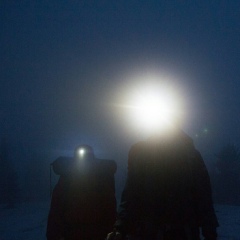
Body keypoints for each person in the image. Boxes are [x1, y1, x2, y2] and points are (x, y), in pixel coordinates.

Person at [107, 127, 219, 240]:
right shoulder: (142, 154)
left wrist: (210, 232)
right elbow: (131, 193)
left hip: (179, 231)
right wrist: (120, 227)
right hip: (153, 230)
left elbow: (203, 196)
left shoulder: (191, 156)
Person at [46, 144, 117, 240]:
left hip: (74, 233)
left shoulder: (65, 181)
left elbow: (55, 211)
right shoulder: (102, 180)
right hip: (95, 233)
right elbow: (111, 208)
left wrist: (52, 235)